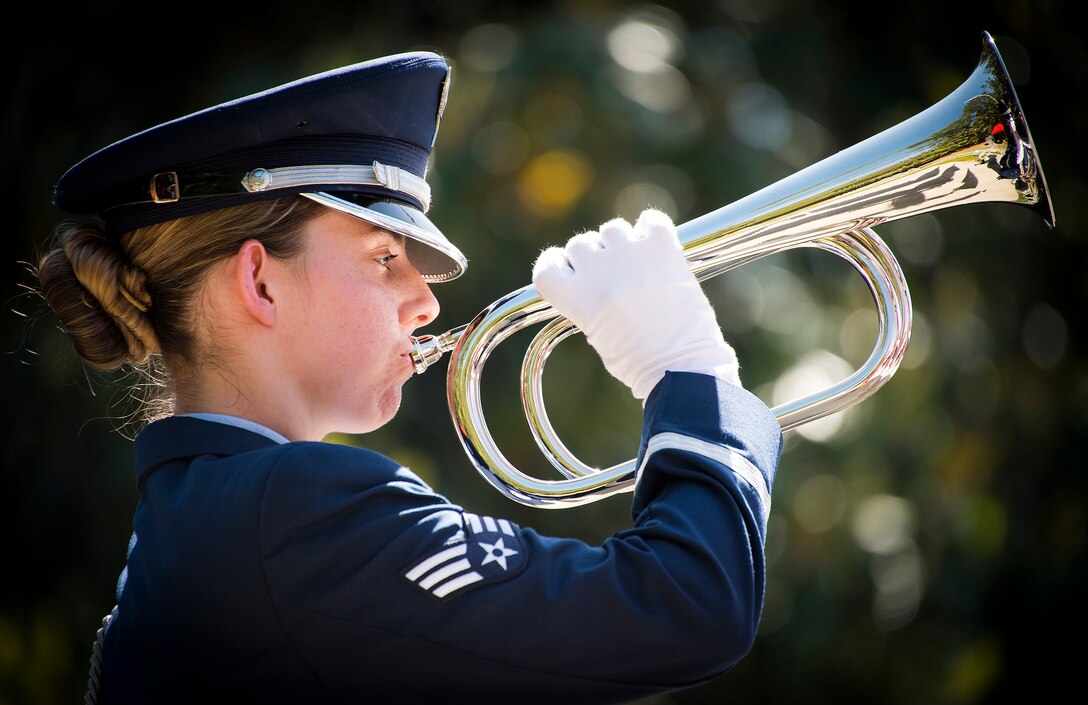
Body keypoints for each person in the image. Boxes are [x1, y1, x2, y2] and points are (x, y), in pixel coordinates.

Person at [34, 51, 782, 704]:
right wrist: (691, 373)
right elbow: (690, 608)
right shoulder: (288, 511)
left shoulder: (202, 518)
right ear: (260, 283)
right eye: (384, 257)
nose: (425, 302)